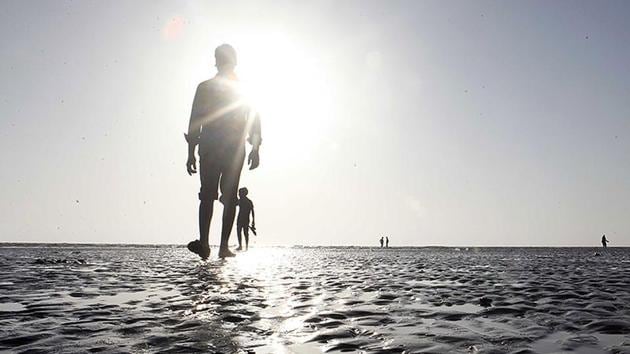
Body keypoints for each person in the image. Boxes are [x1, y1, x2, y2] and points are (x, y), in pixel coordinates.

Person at [185, 44, 262, 259]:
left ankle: (213, 244)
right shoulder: (213, 88)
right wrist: (255, 149)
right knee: (222, 197)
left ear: (217, 61)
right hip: (224, 149)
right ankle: (217, 245)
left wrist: (191, 151)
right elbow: (196, 120)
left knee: (213, 196)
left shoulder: (208, 87)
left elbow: (254, 120)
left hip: (220, 148)